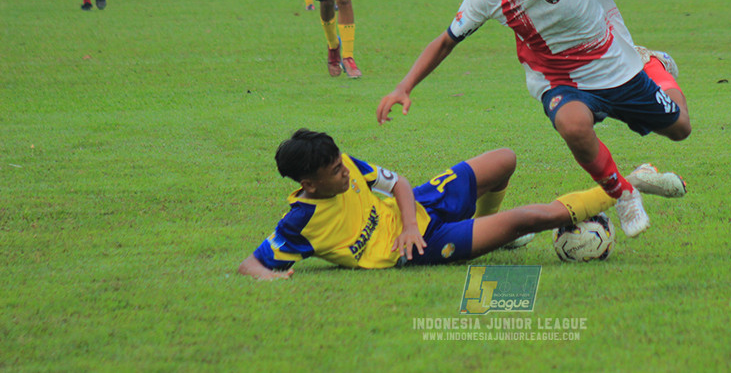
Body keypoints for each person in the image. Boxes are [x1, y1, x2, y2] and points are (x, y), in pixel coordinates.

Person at [377, 0, 729, 237]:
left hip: (617, 68)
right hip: (559, 80)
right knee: (572, 126)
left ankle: (652, 65)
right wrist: (404, 87)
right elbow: (446, 41)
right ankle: (622, 192)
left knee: (680, 128)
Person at [237, 128, 686, 279]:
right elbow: (251, 266)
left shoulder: (345, 163)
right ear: (308, 184)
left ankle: (487, 230)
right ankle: (632, 183)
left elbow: (398, 184)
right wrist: (272, 279)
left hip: (422, 210)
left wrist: (410, 222)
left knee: (503, 161)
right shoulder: (300, 222)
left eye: (341, 164)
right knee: (529, 218)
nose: (344, 172)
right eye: (334, 173)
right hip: (419, 249)